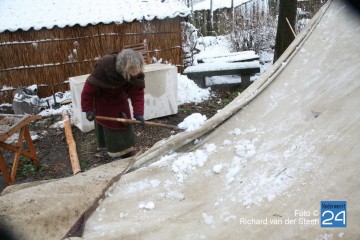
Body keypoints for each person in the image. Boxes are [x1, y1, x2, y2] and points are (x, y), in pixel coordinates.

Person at [81, 49, 146, 161]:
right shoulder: (104, 67)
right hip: (104, 102)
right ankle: (114, 156)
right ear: (124, 69)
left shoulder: (136, 70)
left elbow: (137, 93)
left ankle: (128, 153)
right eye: (131, 73)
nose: (134, 75)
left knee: (125, 125)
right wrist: (88, 109)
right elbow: (88, 91)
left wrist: (139, 113)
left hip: (120, 100)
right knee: (111, 130)